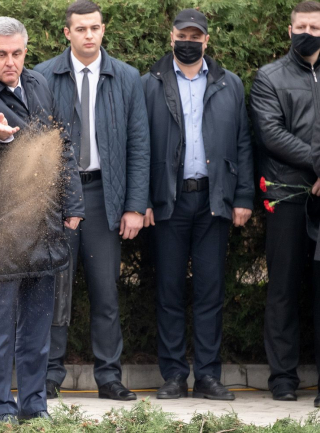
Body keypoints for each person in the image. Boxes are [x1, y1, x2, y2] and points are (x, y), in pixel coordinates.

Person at [0, 17, 85, 424]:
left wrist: (73, 205)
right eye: (1, 54)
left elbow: (61, 144)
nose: (10, 62)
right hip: (2, 231)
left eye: (16, 53)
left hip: (45, 224)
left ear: (25, 52)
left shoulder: (39, 84)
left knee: (37, 329)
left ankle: (35, 406)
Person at [35, 0, 150, 401]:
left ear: (103, 30)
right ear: (67, 33)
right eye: (81, 29)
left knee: (105, 291)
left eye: (95, 28)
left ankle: (109, 377)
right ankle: (48, 375)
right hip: (58, 198)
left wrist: (135, 205)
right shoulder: (43, 76)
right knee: (54, 289)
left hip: (104, 196)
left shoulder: (127, 77)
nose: (89, 35)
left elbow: (139, 145)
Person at [142, 9, 253, 400]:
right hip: (168, 201)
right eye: (182, 35)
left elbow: (243, 142)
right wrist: (142, 200)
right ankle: (174, 375)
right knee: (169, 291)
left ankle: (207, 376)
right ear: (171, 37)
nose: (188, 42)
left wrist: (243, 197)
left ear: (207, 40)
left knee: (210, 291)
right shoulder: (150, 83)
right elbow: (139, 145)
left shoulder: (229, 83)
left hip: (213, 200)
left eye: (196, 36)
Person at [251, 0, 320, 405]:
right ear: (289, 31)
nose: (308, 33)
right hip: (287, 194)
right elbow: (271, 134)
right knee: (283, 289)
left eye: (315, 26)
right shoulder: (269, 76)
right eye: (302, 27)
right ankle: (283, 378)